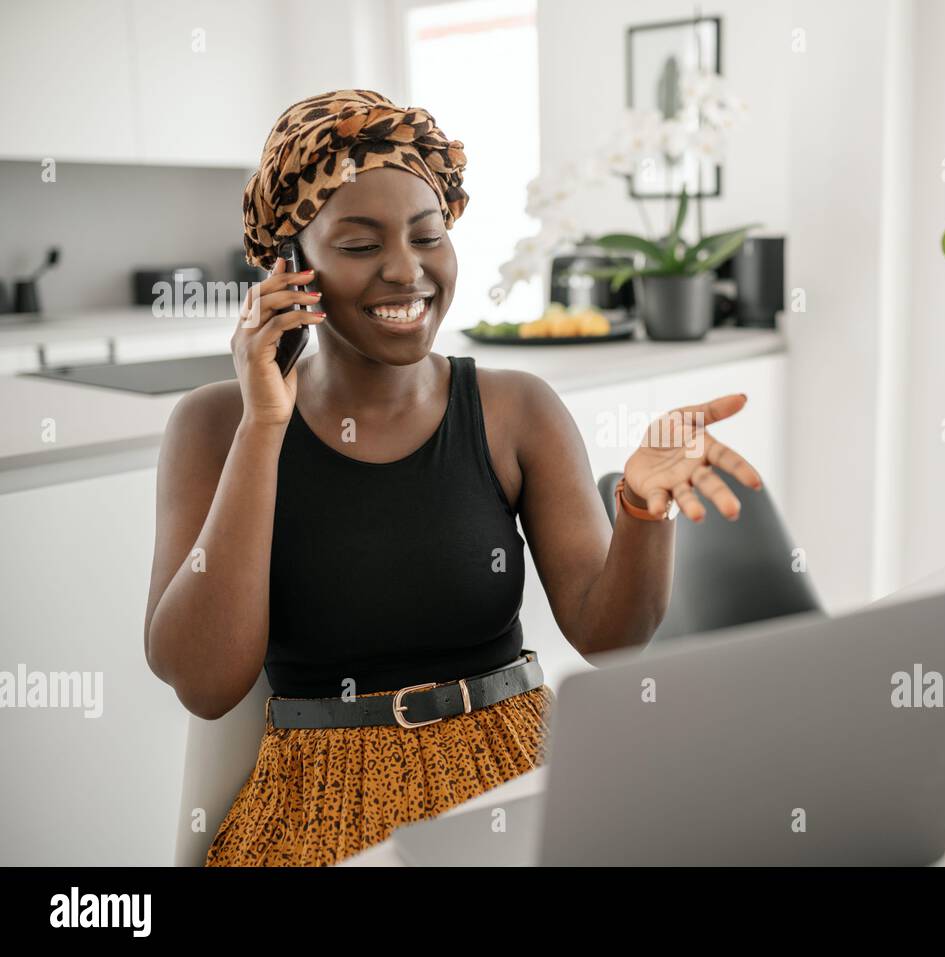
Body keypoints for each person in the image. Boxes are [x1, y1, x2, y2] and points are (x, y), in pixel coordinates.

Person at [142, 90, 764, 866]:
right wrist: (264, 426)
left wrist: (641, 507)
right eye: (360, 244)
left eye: (428, 235)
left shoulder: (515, 408)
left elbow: (610, 634)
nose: (407, 271)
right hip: (321, 811)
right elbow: (205, 682)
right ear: (290, 266)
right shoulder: (212, 426)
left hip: (512, 776)